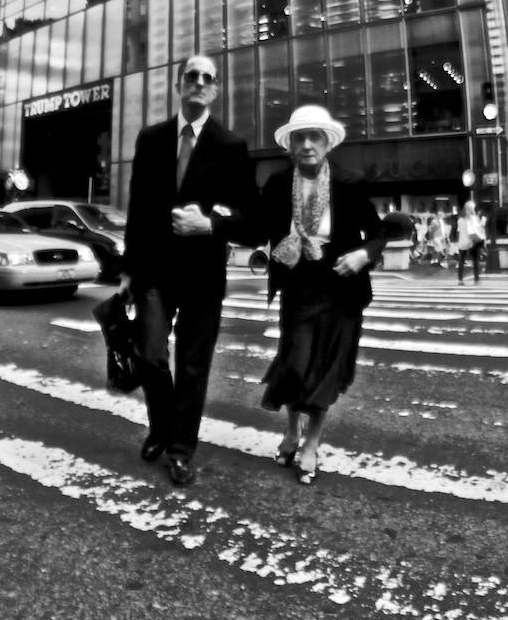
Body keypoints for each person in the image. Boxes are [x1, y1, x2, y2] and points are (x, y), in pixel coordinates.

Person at [119, 54, 261, 486]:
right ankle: (162, 426)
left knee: (194, 366)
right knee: (149, 355)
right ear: (179, 85)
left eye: (208, 78)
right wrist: (128, 269)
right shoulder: (152, 138)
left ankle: (179, 449)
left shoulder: (231, 146)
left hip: (203, 274)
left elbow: (254, 222)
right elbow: (138, 208)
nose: (199, 83)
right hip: (155, 271)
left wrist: (211, 224)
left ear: (215, 89)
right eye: (192, 76)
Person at [259, 105, 386, 486]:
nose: (308, 144)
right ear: (290, 146)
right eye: (300, 137)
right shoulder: (278, 183)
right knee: (296, 365)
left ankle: (310, 443)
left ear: (327, 143)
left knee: (325, 370)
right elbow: (262, 227)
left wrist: (364, 255)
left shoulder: (350, 182)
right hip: (298, 286)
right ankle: (292, 431)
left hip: (340, 286)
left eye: (315, 137)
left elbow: (379, 235)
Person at [456, 200, 486, 284]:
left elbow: (458, 232)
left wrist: (457, 242)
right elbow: (478, 229)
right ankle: (476, 280)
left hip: (462, 242)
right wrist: (482, 222)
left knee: (461, 261)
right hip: (472, 242)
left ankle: (460, 280)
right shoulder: (473, 219)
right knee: (475, 261)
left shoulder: (460, 220)